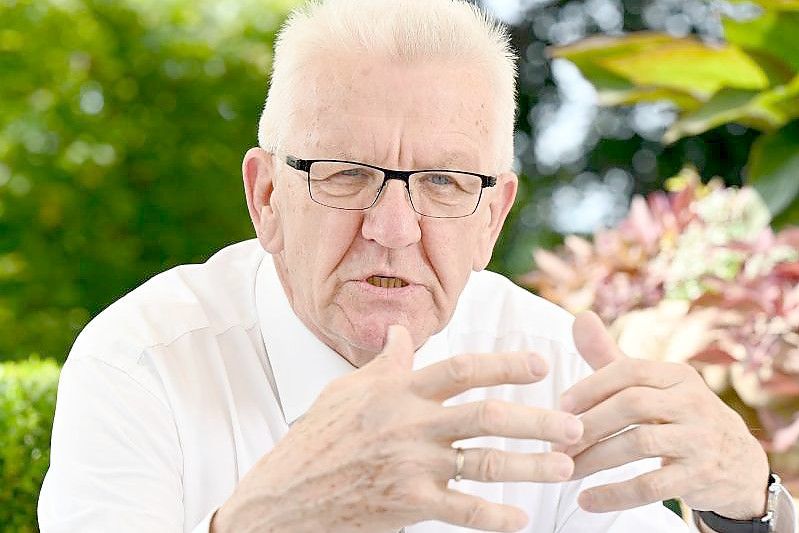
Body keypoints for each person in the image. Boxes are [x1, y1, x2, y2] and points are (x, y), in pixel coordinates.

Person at [38, 0, 796, 531]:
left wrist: (746, 505)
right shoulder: (138, 362)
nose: (392, 229)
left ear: (492, 217)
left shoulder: (554, 363)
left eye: (443, 182)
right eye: (343, 172)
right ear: (266, 195)